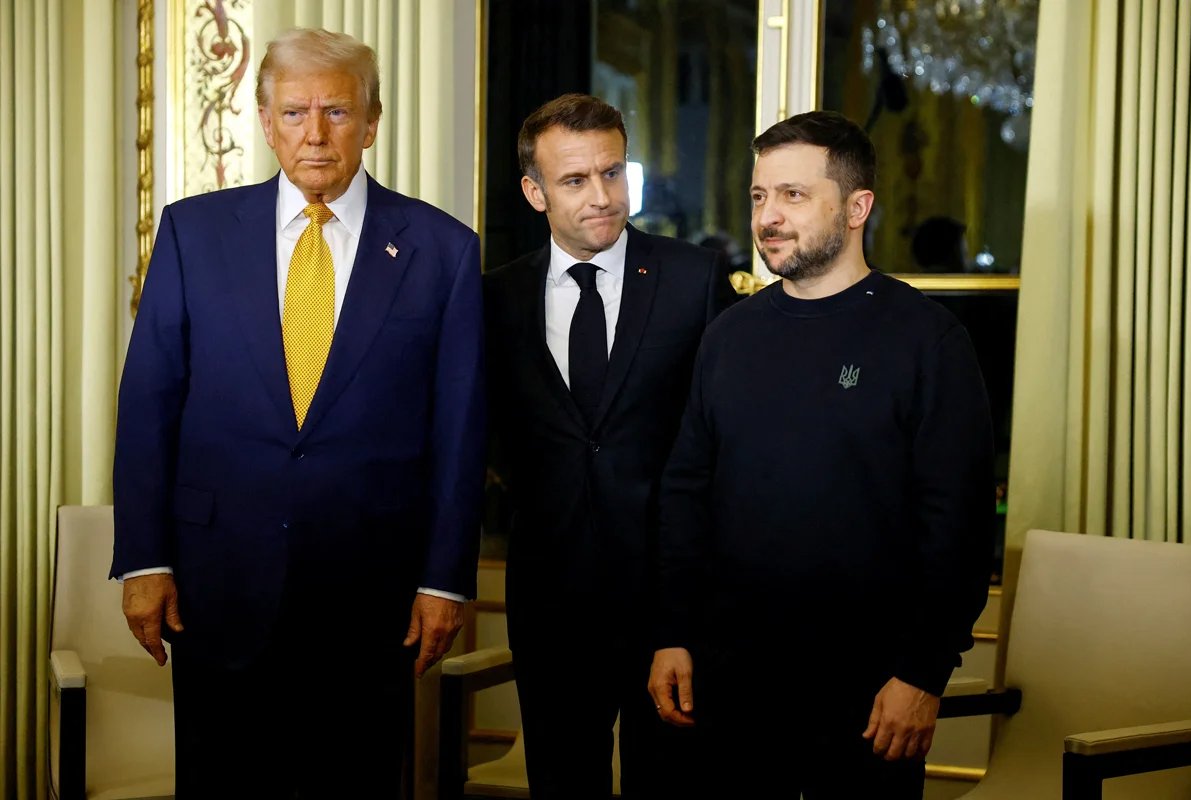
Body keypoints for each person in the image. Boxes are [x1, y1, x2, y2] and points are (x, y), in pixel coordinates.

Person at [111, 28, 485, 798]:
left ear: (373, 121)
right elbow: (149, 402)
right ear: (263, 118)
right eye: (295, 111)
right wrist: (145, 559)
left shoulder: (443, 251)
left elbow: (459, 429)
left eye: (338, 112)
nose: (315, 133)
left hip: (370, 594)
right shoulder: (193, 233)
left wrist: (445, 578)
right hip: (218, 585)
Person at [647, 110, 994, 798]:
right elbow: (686, 494)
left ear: (858, 206)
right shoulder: (729, 336)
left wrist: (923, 674)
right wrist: (672, 632)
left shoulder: (927, 340)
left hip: (870, 695)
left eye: (794, 195)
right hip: (729, 684)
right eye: (759, 196)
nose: (768, 216)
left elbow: (958, 524)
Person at [484, 93, 735, 799]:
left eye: (613, 172)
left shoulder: (694, 279)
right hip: (550, 602)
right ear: (535, 192)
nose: (602, 196)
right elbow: (491, 432)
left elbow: (722, 444)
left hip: (672, 609)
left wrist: (689, 617)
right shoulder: (495, 299)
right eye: (575, 180)